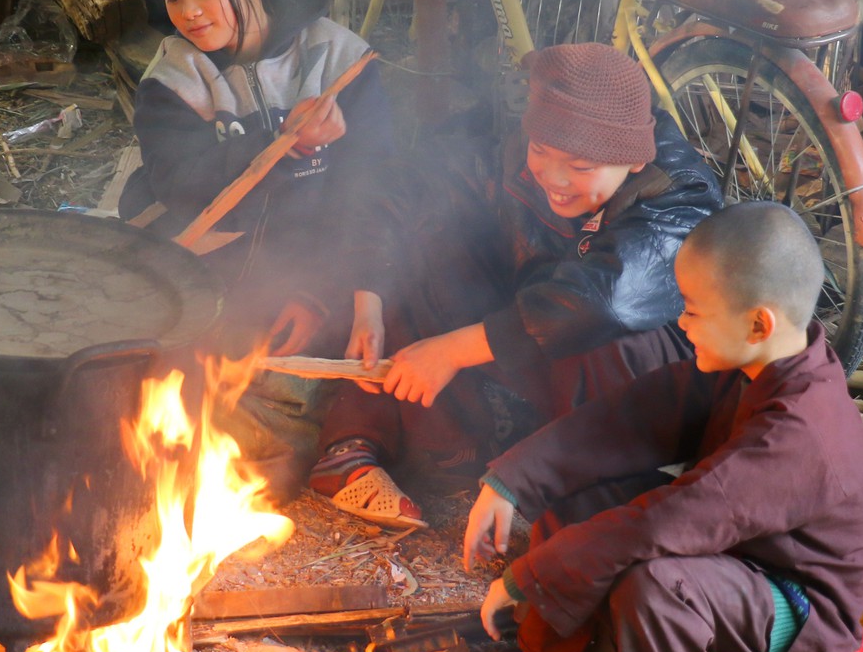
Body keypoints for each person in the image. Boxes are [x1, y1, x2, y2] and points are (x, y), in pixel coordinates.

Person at [459, 202, 863, 652]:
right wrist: (517, 478)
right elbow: (632, 416)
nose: (679, 323)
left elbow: (670, 520)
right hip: (736, 551)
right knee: (593, 497)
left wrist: (526, 576)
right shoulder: (753, 363)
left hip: (794, 598)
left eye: (690, 309)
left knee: (657, 583)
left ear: (757, 321)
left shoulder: (801, 433)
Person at [306, 41, 721, 530]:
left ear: (632, 161)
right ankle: (377, 443)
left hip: (638, 384)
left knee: (601, 325)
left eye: (582, 168)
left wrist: (452, 350)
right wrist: (368, 303)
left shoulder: (678, 195)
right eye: (542, 151)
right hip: (527, 344)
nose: (555, 179)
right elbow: (401, 187)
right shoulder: (509, 144)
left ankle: (580, 489)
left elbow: (605, 301)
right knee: (429, 238)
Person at [118, 0, 398, 485]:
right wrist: (283, 145)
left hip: (311, 269)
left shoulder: (339, 60)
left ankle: (344, 443)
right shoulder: (173, 80)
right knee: (165, 417)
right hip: (206, 275)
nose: (189, 12)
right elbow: (186, 190)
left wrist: (337, 294)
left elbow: (371, 184)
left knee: (291, 419)